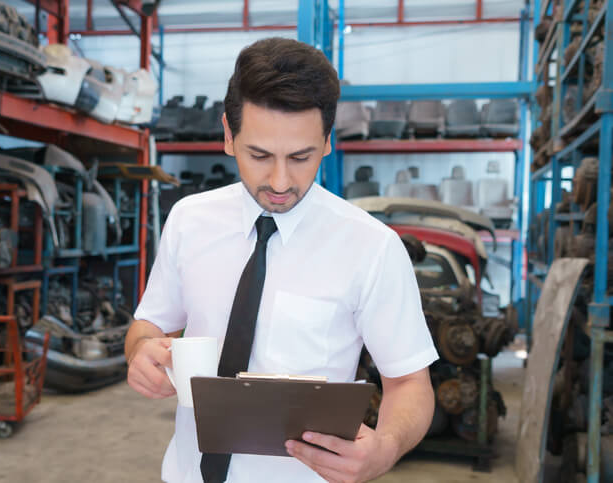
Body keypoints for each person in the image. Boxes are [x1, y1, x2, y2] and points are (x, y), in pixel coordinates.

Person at [125, 37, 438, 483]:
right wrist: (141, 353)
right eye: (259, 155)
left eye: (300, 157)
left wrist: (384, 450)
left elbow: (410, 382)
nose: (279, 180)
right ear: (228, 136)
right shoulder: (189, 221)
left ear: (327, 142)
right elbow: (149, 325)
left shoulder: (371, 247)